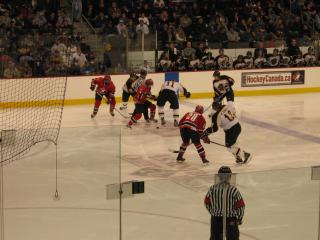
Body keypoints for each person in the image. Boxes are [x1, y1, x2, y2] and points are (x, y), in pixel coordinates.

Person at [204, 166, 245, 240]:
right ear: (230, 176)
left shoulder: (213, 189)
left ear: (219, 176)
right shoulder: (233, 190)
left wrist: (213, 212)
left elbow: (207, 202)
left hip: (216, 219)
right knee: (233, 238)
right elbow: (241, 205)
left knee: (215, 238)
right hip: (231, 219)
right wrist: (239, 218)